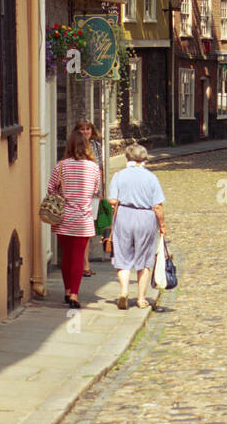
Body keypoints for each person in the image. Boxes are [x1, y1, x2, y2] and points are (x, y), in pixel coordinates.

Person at [47, 129, 102, 309]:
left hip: (63, 218)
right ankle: (75, 294)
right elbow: (95, 191)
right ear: (86, 146)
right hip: (83, 218)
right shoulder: (94, 168)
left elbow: (50, 189)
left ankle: (67, 289)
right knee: (78, 257)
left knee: (66, 256)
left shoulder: (61, 166)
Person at [107, 144, 167, 310]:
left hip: (124, 216)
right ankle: (141, 298)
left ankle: (124, 291)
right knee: (144, 259)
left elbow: (112, 200)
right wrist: (162, 225)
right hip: (145, 217)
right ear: (144, 158)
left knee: (123, 256)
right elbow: (157, 206)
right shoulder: (151, 178)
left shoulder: (119, 176)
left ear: (127, 157)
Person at [69, 118, 105, 275]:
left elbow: (100, 170)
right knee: (79, 230)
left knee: (89, 230)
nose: (85, 132)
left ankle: (84, 263)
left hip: (93, 193)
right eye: (82, 129)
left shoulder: (96, 146)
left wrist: (101, 191)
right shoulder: (74, 147)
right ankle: (83, 264)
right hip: (77, 193)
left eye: (88, 129)